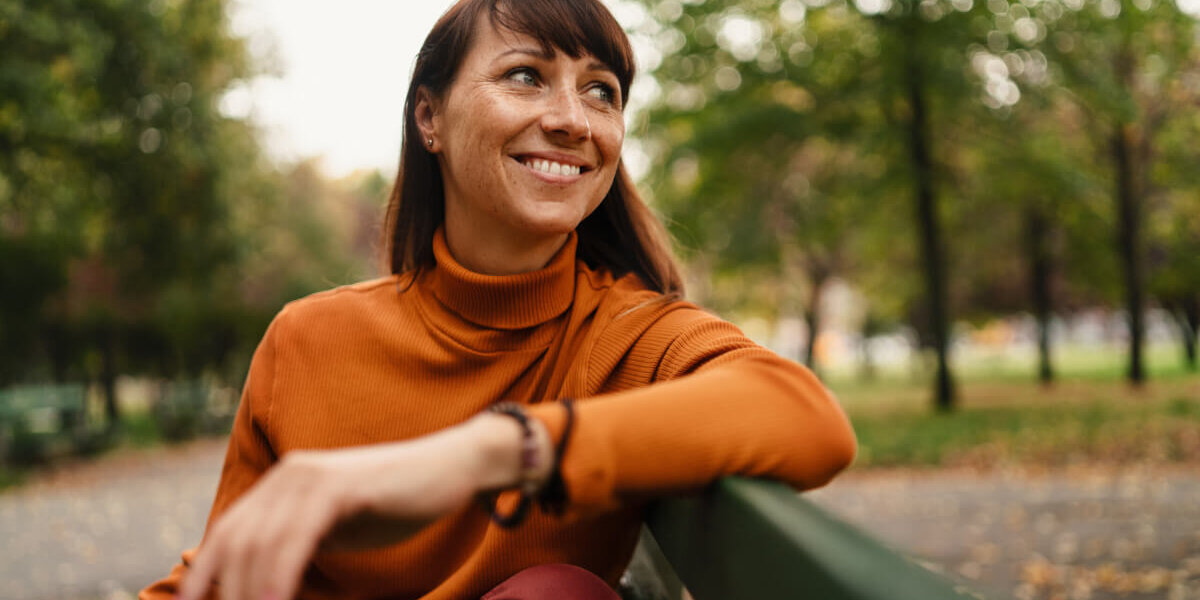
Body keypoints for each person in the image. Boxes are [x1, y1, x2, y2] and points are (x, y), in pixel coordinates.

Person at [140, 0, 857, 599]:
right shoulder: (307, 340)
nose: (573, 119)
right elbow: (218, 577)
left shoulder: (629, 335)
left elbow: (808, 419)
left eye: (600, 89)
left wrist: (492, 450)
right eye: (526, 76)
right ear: (431, 119)